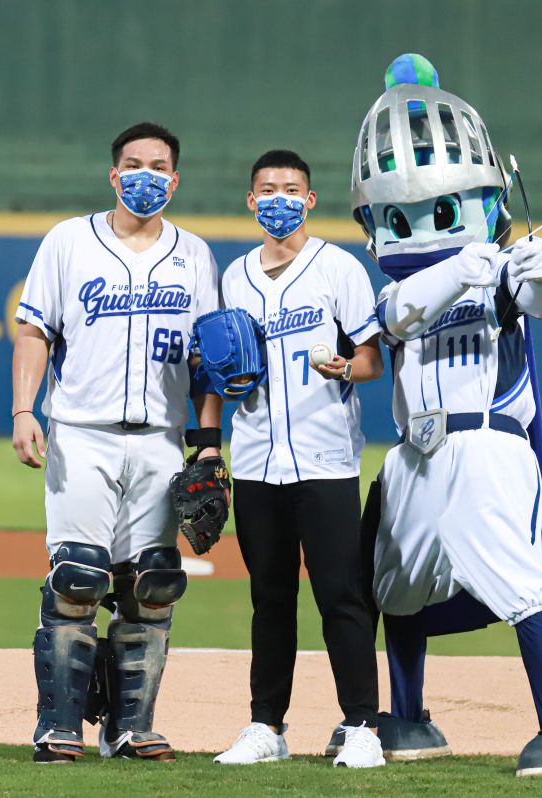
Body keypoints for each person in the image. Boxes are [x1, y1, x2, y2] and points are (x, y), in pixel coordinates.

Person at [346, 54, 542, 776]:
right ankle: (409, 718)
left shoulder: (500, 273)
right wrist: (464, 264)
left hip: (486, 446)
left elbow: (530, 299)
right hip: (413, 455)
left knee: (517, 582)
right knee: (397, 586)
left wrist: (534, 265)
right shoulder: (399, 289)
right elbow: (400, 313)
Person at [11, 121, 225, 764]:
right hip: (82, 434)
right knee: (76, 577)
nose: (145, 176)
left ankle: (130, 728)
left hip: (160, 440)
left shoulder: (195, 255)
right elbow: (33, 331)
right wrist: (25, 409)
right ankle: (59, 725)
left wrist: (207, 444)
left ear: (176, 178)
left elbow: (207, 362)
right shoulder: (69, 241)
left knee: (152, 586)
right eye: (133, 165)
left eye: (158, 166)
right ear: (112, 174)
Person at [212, 150, 386, 768]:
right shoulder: (234, 278)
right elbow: (217, 368)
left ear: (310, 200)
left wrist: (346, 367)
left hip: (326, 458)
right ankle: (267, 726)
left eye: (291, 189)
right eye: (268, 189)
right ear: (251, 200)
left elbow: (372, 357)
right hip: (258, 459)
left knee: (341, 593)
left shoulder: (339, 268)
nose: (279, 198)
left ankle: (362, 725)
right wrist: (211, 437)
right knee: (270, 597)